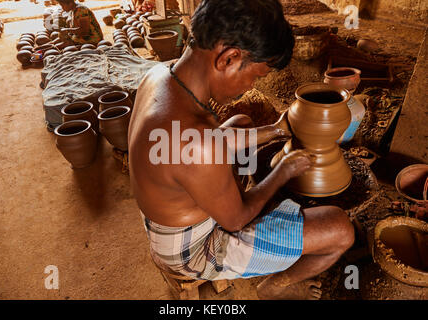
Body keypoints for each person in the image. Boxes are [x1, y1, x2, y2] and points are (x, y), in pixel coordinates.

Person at [128, 0, 354, 300]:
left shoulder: (158, 75)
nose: (250, 86)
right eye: (256, 76)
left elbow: (189, 145)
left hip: (166, 214)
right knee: (341, 231)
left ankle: (242, 188)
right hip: (193, 251)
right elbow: (235, 219)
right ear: (229, 58)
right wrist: (282, 172)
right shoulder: (196, 142)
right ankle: (276, 286)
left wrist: (276, 130)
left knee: (243, 123)